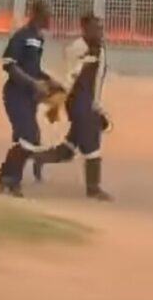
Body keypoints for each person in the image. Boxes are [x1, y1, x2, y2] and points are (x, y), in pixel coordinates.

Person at [34, 12, 112, 201]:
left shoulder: (99, 48)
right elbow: (69, 76)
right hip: (79, 104)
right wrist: (58, 102)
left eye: (101, 28)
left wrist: (98, 107)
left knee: (69, 150)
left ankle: (37, 158)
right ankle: (93, 189)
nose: (100, 32)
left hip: (88, 103)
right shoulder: (78, 49)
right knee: (93, 147)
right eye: (95, 28)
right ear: (84, 29)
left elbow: (98, 80)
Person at [0, 0, 61, 197]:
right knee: (28, 137)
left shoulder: (38, 39)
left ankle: (8, 177)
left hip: (29, 97)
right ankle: (7, 178)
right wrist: (33, 83)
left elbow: (34, 69)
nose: (51, 19)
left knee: (31, 139)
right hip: (15, 95)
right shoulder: (22, 36)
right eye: (48, 15)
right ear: (37, 15)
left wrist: (49, 80)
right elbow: (9, 65)